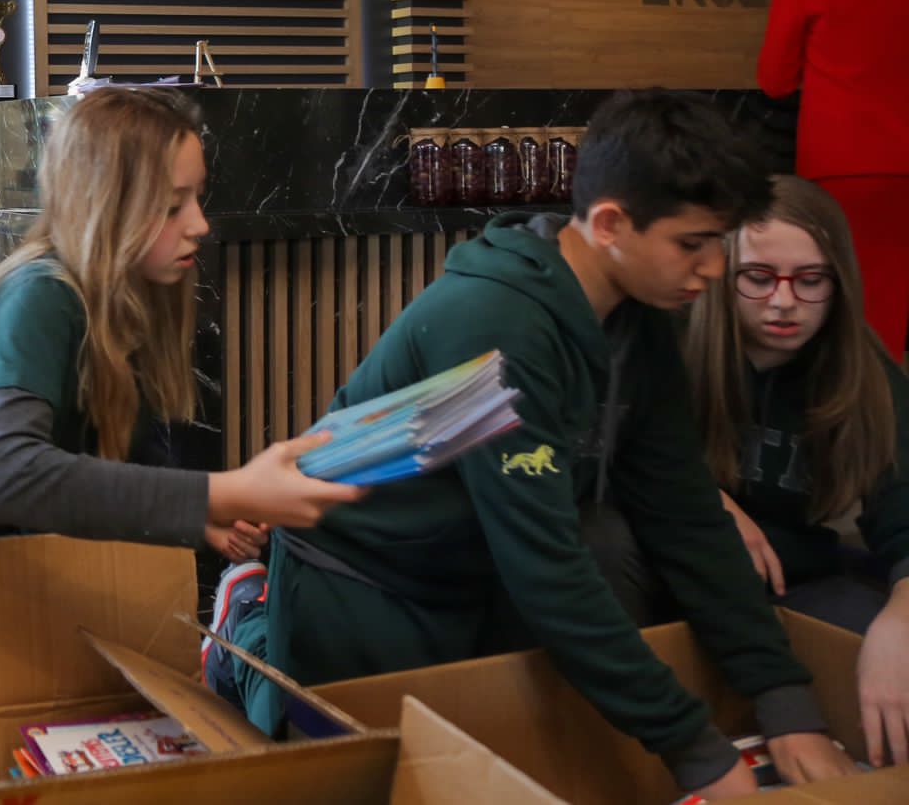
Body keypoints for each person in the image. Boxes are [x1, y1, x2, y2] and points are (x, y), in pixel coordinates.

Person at [212, 90, 855, 799]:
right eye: (693, 245)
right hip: (366, 580)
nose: (713, 271)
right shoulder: (499, 324)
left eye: (719, 244)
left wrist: (786, 701)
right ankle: (250, 626)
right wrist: (697, 752)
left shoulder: (647, 318)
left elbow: (686, 514)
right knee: (365, 780)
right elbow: (549, 570)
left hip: (470, 565)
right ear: (610, 224)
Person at [0, 87, 362, 556]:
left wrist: (192, 517)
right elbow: (4, 478)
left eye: (197, 199)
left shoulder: (126, 300)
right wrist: (228, 491)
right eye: (170, 207)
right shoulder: (39, 297)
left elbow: (93, 478)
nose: (200, 225)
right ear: (106, 207)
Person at [674, 175, 908, 765]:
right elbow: (612, 465)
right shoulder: (670, 337)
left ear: (839, 285)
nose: (784, 301)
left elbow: (903, 516)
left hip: (796, 578)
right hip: (676, 579)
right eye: (758, 278)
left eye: (811, 281)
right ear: (723, 275)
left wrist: (902, 619)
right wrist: (708, 503)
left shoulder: (864, 371)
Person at [757, 0, 909, 363]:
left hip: (842, 169)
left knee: (848, 308)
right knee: (894, 304)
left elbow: (773, 80)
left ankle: (856, 429)